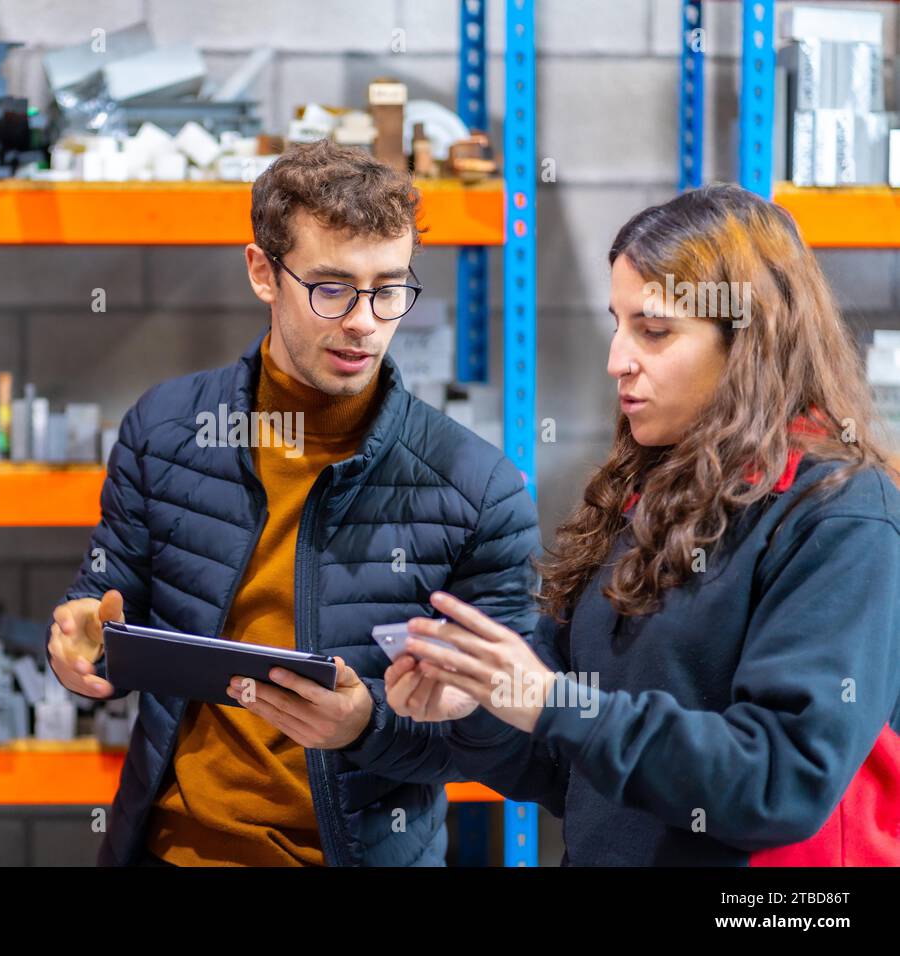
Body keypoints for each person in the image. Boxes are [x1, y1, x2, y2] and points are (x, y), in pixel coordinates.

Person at [45, 139, 540, 866]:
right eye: (332, 288)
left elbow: (506, 739)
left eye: (389, 287)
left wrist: (366, 724)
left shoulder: (477, 489)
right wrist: (78, 641)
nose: (366, 322)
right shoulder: (165, 431)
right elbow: (104, 595)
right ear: (261, 273)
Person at [375, 183, 900, 865]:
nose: (617, 358)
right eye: (618, 323)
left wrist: (554, 702)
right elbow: (575, 773)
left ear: (749, 341)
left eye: (653, 331)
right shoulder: (646, 495)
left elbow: (782, 782)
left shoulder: (841, 515)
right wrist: (476, 704)